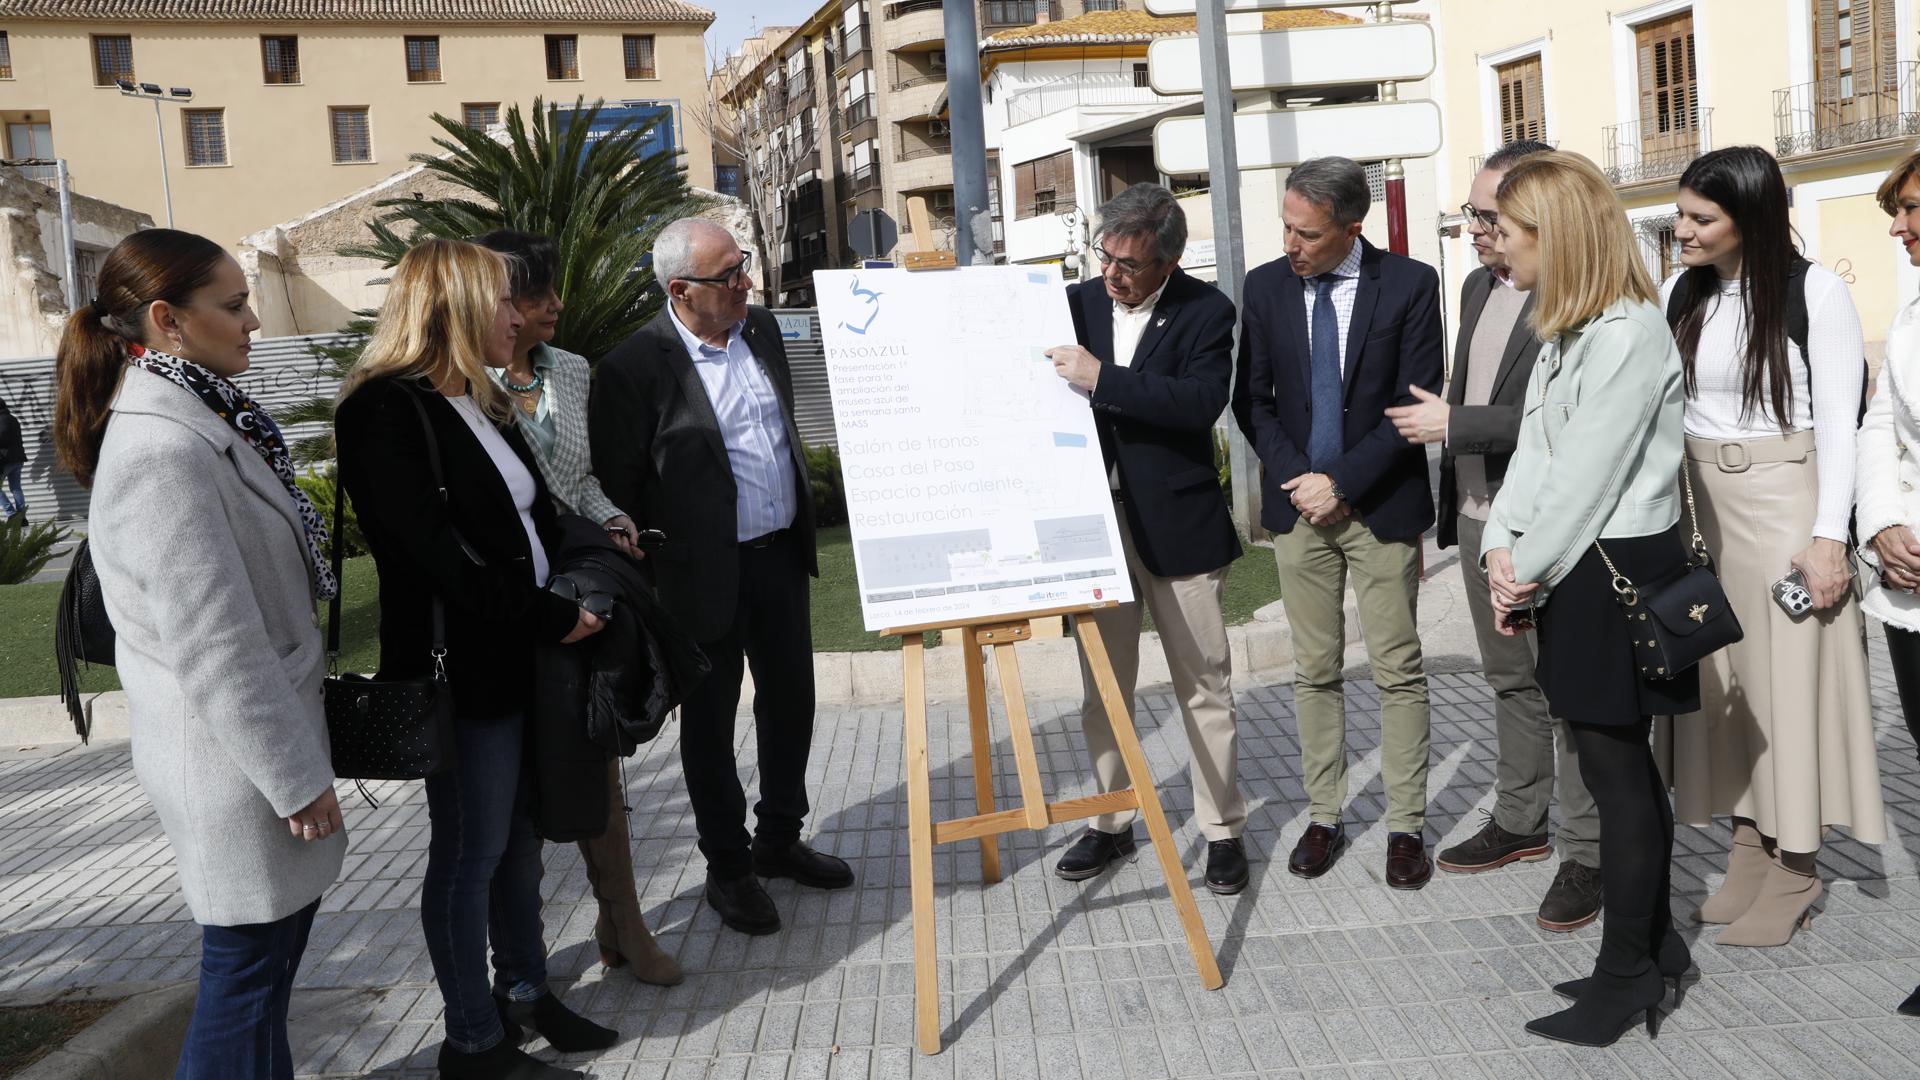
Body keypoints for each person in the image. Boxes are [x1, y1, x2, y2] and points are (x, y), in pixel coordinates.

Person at [54, 228, 344, 1079]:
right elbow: (215, 643)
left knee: (262, 989)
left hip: (252, 759)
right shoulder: (163, 449)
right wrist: (293, 776)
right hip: (238, 769)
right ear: (165, 321)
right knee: (245, 984)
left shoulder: (203, 414)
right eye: (232, 304)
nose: (253, 320)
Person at [335, 238, 614, 1080]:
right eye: (504, 301)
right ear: (454, 305)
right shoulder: (385, 409)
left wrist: (599, 570)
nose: (521, 315)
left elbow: (536, 516)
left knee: (520, 841)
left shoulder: (482, 397)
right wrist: (549, 615)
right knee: (470, 854)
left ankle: (524, 990)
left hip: (524, 659)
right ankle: (472, 1042)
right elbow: (435, 561)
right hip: (464, 672)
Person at [1480, 151, 1696, 1047]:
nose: (1494, 241)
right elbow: (1535, 457)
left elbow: (1591, 476)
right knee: (1618, 771)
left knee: (1616, 775)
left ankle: (1628, 974)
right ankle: (1657, 949)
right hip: (1571, 565)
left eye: (1507, 228)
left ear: (1553, 236)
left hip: (1615, 568)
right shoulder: (1569, 325)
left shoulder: (1629, 332)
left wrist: (1524, 566)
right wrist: (1501, 546)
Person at [590, 218, 851, 937]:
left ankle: (778, 839)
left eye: (743, 268)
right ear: (681, 290)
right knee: (709, 725)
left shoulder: (760, 331)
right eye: (729, 275)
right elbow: (619, 488)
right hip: (695, 578)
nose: (746, 284)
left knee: (792, 700)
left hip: (778, 559)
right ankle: (729, 868)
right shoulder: (634, 367)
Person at [1655, 145, 1883, 949]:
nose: (1680, 228)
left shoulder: (1813, 292)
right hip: (1705, 512)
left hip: (1787, 506)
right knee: (1725, 685)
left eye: (1699, 218)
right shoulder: (1682, 290)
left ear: (1747, 218)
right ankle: (1749, 844)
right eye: (1681, 213)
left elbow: (1842, 425)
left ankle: (1797, 864)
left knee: (1790, 690)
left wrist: (1829, 541)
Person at [1388, 139, 1603, 932]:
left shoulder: (1574, 294)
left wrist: (1459, 426)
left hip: (1548, 529)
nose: (1476, 230)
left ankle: (1589, 853)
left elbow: (1567, 419)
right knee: (1511, 681)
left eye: (1488, 216)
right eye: (1473, 215)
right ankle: (1522, 822)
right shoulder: (1480, 285)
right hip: (1481, 523)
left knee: (1574, 697)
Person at [472, 229, 683, 988]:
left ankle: (622, 925)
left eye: (553, 287)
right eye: (534, 293)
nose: (555, 303)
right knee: (519, 799)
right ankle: (520, 970)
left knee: (600, 770)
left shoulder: (572, 369)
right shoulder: (461, 386)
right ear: (491, 300)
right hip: (514, 610)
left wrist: (613, 517)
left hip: (584, 597)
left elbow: (583, 477)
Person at [1232, 155, 1443, 889]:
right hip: (1299, 514)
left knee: (1398, 671)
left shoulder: (1411, 285)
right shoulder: (1265, 287)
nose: (1291, 245)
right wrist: (1302, 482)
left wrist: (1342, 482)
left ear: (1352, 228)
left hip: (1379, 508)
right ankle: (1325, 813)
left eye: (1307, 235)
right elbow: (1251, 402)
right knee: (1314, 670)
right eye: (1286, 228)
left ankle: (1406, 826)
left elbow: (1417, 400)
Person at [1041, 183, 1248, 894]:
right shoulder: (1076, 303)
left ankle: (1222, 831)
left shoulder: (1206, 310)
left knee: (1204, 686)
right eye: (1104, 256)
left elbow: (1199, 403)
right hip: (1092, 529)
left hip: (1178, 529)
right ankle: (1110, 822)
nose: (1112, 274)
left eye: (1128, 263)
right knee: (1105, 689)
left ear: (1170, 259)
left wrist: (1105, 380)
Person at [1854, 146, 1920, 1016]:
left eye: (1912, 210)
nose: (1901, 227)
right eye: (1898, 211)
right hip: (1908, 582)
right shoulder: (1909, 306)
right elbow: (1879, 421)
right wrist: (1883, 523)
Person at [0, 392, 24, 522]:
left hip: (6, 460)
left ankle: (11, 513)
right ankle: (22, 517)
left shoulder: (2, 420)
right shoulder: (13, 418)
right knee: (16, 488)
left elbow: (3, 438)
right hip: (18, 459)